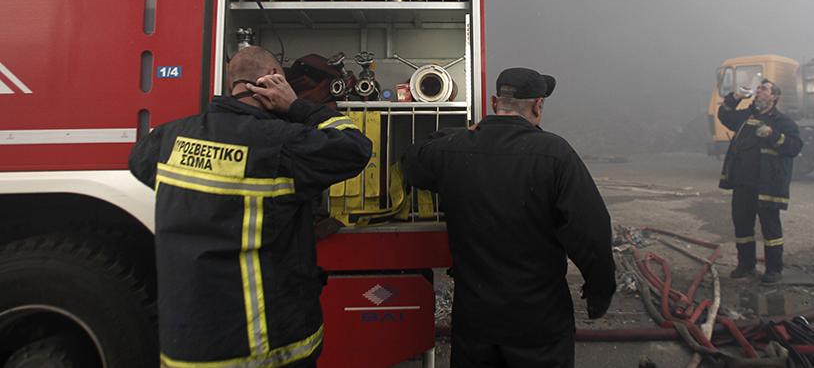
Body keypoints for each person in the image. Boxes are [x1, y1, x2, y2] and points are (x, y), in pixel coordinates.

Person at [129, 46, 372, 367]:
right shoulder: (280, 142)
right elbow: (354, 147)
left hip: (187, 347)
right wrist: (298, 106)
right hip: (261, 349)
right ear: (273, 80)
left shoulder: (167, 138)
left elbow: (140, 165)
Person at [402, 68, 616, 368]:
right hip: (538, 323)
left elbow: (411, 159)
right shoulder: (555, 153)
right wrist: (599, 292)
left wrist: (456, 134)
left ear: (493, 102)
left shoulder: (451, 150)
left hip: (475, 322)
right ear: (538, 106)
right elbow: (591, 231)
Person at [718, 78, 803, 284]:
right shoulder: (746, 116)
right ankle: (746, 266)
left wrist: (772, 135)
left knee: (770, 227)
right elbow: (725, 115)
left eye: (763, 89)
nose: (758, 92)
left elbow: (794, 147)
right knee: (742, 225)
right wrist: (736, 96)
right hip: (743, 183)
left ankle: (774, 269)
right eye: (758, 89)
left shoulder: (783, 122)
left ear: (774, 97)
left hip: (767, 184)